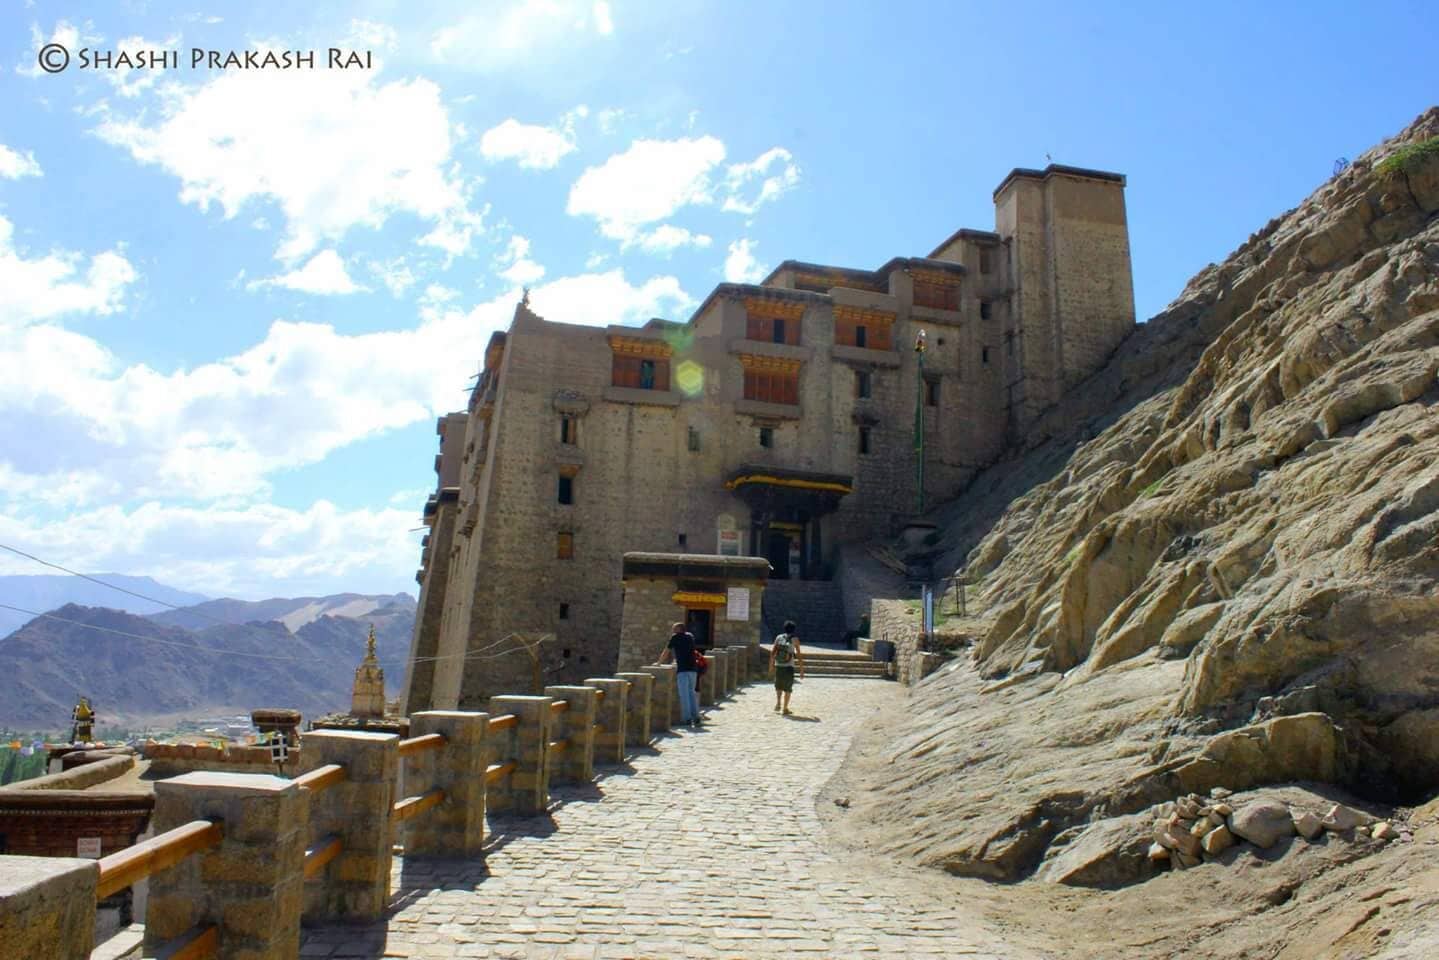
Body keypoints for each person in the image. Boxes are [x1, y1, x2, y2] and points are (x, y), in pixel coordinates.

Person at [657, 622, 702, 727]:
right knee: (692, 693)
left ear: (678, 630)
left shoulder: (675, 637)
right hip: (693, 669)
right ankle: (696, 717)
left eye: (674, 629)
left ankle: (686, 718)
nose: (672, 631)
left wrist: (659, 662)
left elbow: (666, 651)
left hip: (683, 669)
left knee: (684, 694)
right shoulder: (690, 637)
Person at [770, 621, 805, 715]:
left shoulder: (778, 637)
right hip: (789, 666)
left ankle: (778, 702)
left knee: (779, 685)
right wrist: (801, 670)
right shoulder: (795, 639)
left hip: (779, 665)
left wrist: (771, 665)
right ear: (794, 629)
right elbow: (799, 654)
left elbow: (773, 652)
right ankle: (785, 708)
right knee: (788, 688)